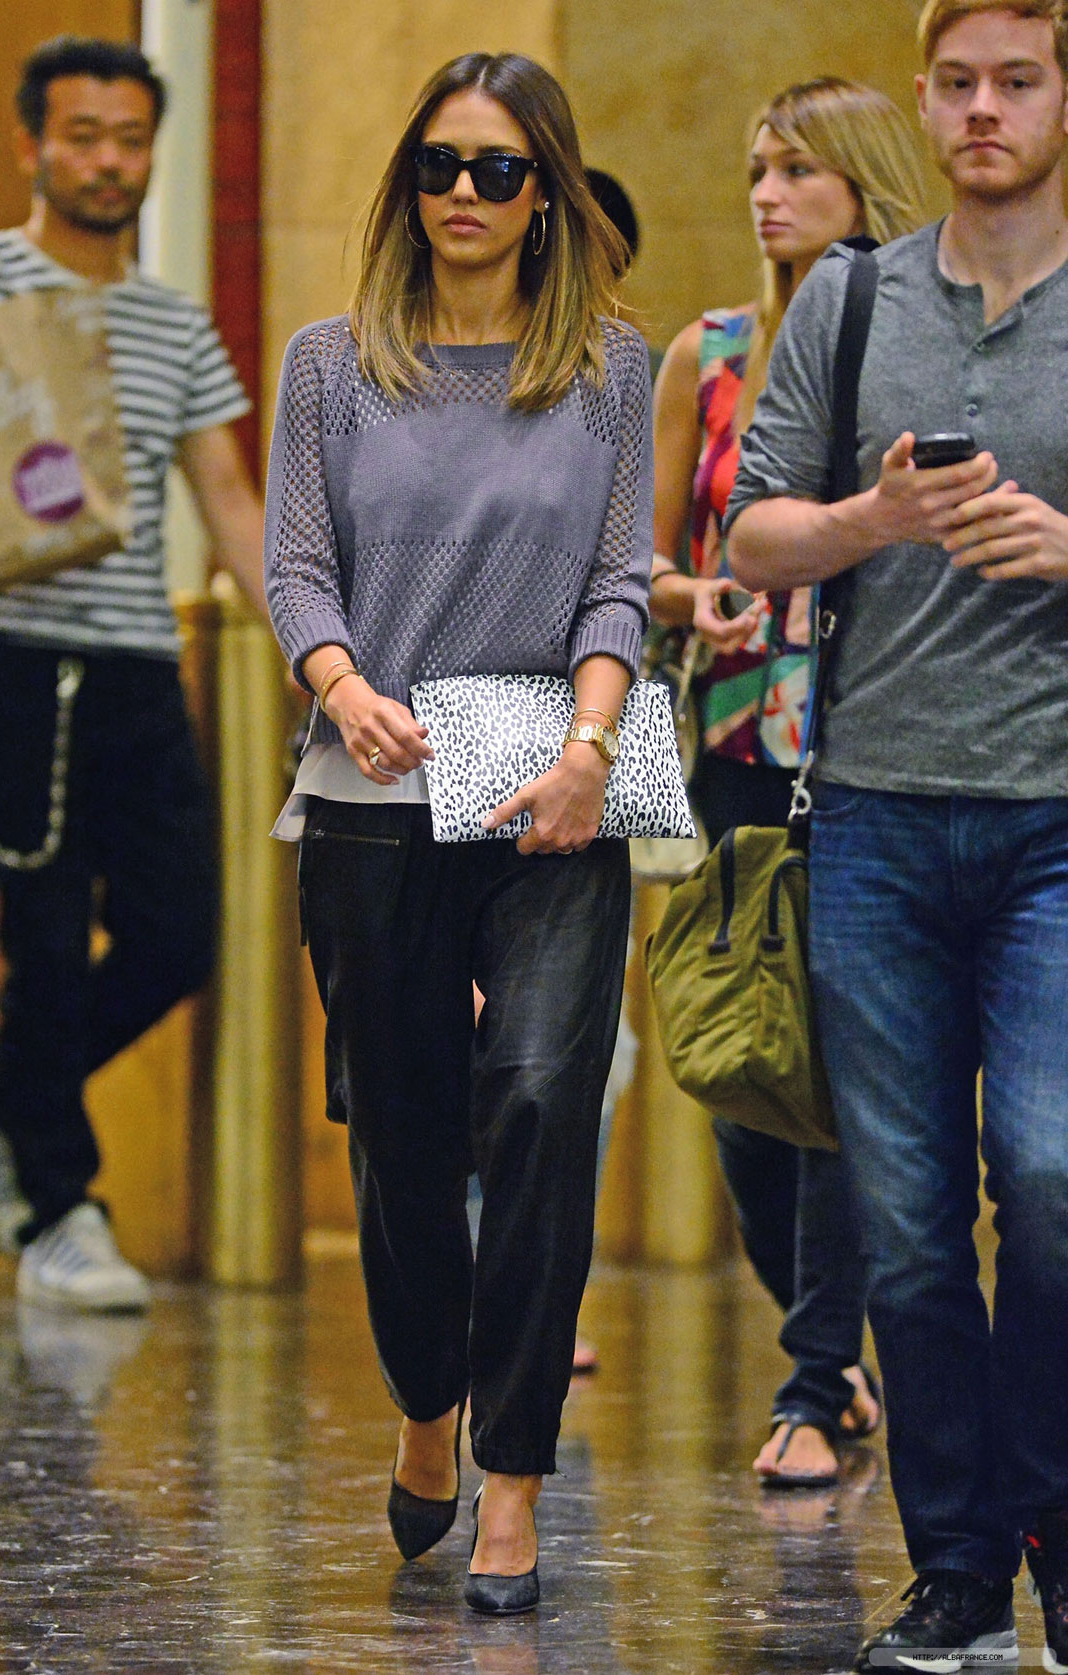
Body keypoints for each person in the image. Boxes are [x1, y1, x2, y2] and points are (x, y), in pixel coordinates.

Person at [263, 52, 648, 1614]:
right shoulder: (330, 362)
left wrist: (591, 743)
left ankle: (514, 1482)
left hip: (549, 778)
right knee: (407, 1132)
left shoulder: (609, 368)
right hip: (375, 779)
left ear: (549, 187)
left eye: (499, 169)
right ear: (406, 183)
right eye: (441, 166)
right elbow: (297, 566)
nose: (466, 196)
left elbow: (622, 580)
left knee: (548, 1100)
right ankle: (428, 1403)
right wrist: (343, 685)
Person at [726, 2, 1068, 1667]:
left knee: (1056, 1182)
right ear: (925, 102)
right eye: (959, 83)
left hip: (1058, 829)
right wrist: (879, 517)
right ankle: (953, 1574)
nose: (985, 109)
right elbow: (756, 526)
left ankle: (1055, 1531)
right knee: (914, 1222)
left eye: (1019, 80)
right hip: (868, 814)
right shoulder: (854, 304)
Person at [0, 36, 267, 1313]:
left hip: (139, 668)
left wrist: (329, 657)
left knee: (174, 935)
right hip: (3, 661)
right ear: (31, 142)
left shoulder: (174, 322)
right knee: (40, 944)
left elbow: (228, 499)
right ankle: (59, 1207)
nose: (107, 160)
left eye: (129, 138)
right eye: (82, 135)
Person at [650, 78, 924, 1490]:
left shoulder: (925, 343)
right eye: (760, 168)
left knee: (838, 1075)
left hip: (874, 746)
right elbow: (634, 568)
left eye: (802, 170)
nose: (769, 194)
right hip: (732, 747)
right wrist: (698, 594)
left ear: (866, 186)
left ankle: (816, 1381)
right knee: (738, 1069)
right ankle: (826, 1345)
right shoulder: (708, 351)